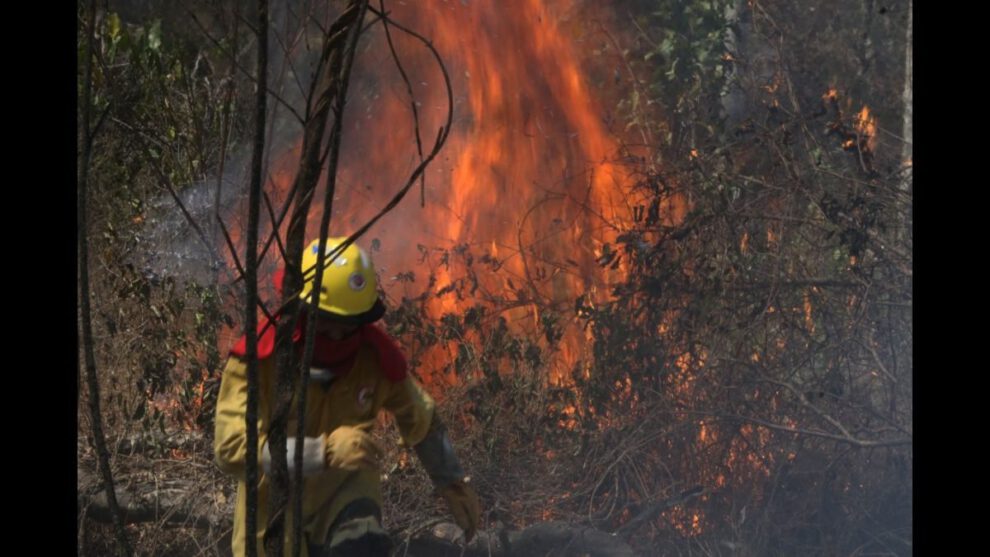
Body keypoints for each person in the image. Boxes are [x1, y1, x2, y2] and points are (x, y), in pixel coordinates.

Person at [214, 237, 480, 557]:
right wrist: (320, 452)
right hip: (273, 511)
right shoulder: (260, 360)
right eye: (327, 325)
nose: (338, 337)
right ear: (302, 310)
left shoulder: (374, 358)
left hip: (346, 498)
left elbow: (420, 414)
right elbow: (230, 450)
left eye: (348, 326)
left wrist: (449, 478)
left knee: (362, 546)